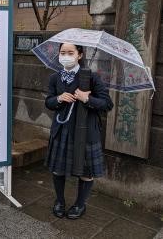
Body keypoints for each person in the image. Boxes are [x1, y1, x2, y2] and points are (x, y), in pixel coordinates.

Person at [44, 43, 113, 220]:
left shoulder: (92, 78)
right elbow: (49, 102)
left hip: (86, 132)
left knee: (86, 172)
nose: (65, 56)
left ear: (79, 55)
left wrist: (86, 98)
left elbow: (107, 104)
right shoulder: (55, 77)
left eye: (70, 52)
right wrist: (59, 98)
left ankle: (80, 205)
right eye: (62, 52)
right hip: (62, 130)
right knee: (58, 170)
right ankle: (59, 201)